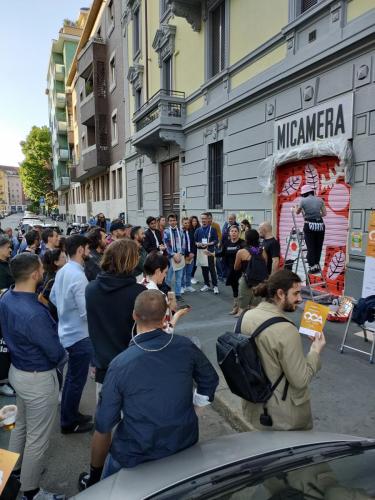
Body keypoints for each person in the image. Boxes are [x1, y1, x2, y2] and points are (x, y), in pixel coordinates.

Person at [79, 290, 219, 489]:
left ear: (134, 316)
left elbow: (103, 425)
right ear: (164, 318)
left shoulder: (120, 364)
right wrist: (194, 412)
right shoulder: (185, 346)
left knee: (107, 484)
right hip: (183, 442)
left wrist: (95, 473)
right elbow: (210, 380)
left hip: (136, 451)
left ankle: (95, 484)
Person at [0, 253, 67, 500]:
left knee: (21, 428)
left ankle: (13, 473)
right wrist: (63, 357)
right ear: (34, 274)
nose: (42, 271)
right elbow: (54, 351)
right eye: (40, 268)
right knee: (37, 440)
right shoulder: (33, 312)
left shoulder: (7, 297)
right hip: (36, 378)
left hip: (17, 371)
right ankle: (31, 491)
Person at [240, 269, 325, 431]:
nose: (300, 299)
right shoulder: (286, 330)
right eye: (296, 293)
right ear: (280, 293)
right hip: (282, 415)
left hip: (253, 405)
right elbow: (300, 380)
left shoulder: (246, 316)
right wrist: (315, 350)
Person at [85, 239, 145, 394]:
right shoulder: (138, 293)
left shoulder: (91, 289)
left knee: (105, 414)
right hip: (131, 366)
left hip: (103, 368)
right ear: (130, 261)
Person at [50, 235, 93, 434]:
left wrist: (66, 312)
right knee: (76, 381)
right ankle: (69, 422)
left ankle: (71, 414)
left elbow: (52, 297)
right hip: (79, 336)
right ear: (80, 250)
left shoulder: (63, 271)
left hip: (68, 332)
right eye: (87, 248)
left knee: (71, 380)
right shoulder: (78, 275)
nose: (89, 251)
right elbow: (86, 313)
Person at [234, 229, 268, 317]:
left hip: (246, 279)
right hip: (259, 280)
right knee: (255, 305)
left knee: (242, 305)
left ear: (246, 239)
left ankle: (242, 323)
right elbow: (265, 264)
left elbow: (236, 267)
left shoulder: (241, 252)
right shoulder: (262, 251)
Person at [295, 185, 327, 274]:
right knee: (318, 246)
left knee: (310, 246)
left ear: (304, 193)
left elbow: (297, 212)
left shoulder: (303, 201)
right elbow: (324, 214)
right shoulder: (320, 200)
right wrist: (316, 215)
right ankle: (316, 264)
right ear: (311, 192)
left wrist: (295, 209)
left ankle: (312, 266)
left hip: (309, 225)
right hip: (320, 225)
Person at [39, 248, 67, 321]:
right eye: (63, 257)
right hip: (55, 316)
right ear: (56, 262)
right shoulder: (52, 280)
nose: (66, 259)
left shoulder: (54, 274)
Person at [222, 225, 244, 315]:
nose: (233, 233)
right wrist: (212, 253)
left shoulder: (242, 243)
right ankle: (235, 307)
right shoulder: (227, 243)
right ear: (229, 233)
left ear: (238, 233)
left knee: (241, 289)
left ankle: (241, 309)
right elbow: (222, 253)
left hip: (241, 270)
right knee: (234, 289)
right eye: (232, 231)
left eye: (235, 231)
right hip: (231, 270)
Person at [195, 212, 219, 294]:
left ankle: (215, 286)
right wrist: (198, 243)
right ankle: (206, 284)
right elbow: (195, 241)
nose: (203, 220)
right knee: (204, 269)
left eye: (205, 218)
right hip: (201, 252)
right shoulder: (198, 230)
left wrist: (209, 244)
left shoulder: (212, 229)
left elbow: (216, 240)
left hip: (210, 252)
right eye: (202, 219)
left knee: (212, 269)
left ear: (208, 219)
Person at [163, 213, 185, 301]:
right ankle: (167, 294)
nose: (173, 222)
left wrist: (180, 254)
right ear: (168, 222)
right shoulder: (166, 232)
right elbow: (166, 244)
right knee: (168, 278)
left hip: (180, 257)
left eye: (174, 220)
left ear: (177, 221)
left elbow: (184, 243)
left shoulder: (180, 231)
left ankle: (178, 294)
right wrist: (173, 254)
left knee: (179, 278)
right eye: (171, 220)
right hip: (170, 258)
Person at [181, 217, 196, 293]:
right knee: (182, 272)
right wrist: (187, 254)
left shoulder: (191, 231)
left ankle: (188, 285)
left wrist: (192, 253)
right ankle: (182, 286)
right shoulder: (180, 232)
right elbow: (181, 245)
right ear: (182, 223)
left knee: (189, 271)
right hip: (184, 255)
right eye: (185, 223)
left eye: (188, 223)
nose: (187, 224)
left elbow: (193, 243)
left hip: (191, 255)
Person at [189, 215, 200, 284]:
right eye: (193, 221)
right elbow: (191, 240)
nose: (194, 222)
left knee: (195, 264)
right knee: (191, 264)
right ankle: (190, 277)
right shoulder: (189, 229)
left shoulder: (198, 228)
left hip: (197, 249)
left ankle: (192, 276)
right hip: (191, 249)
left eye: (195, 221)